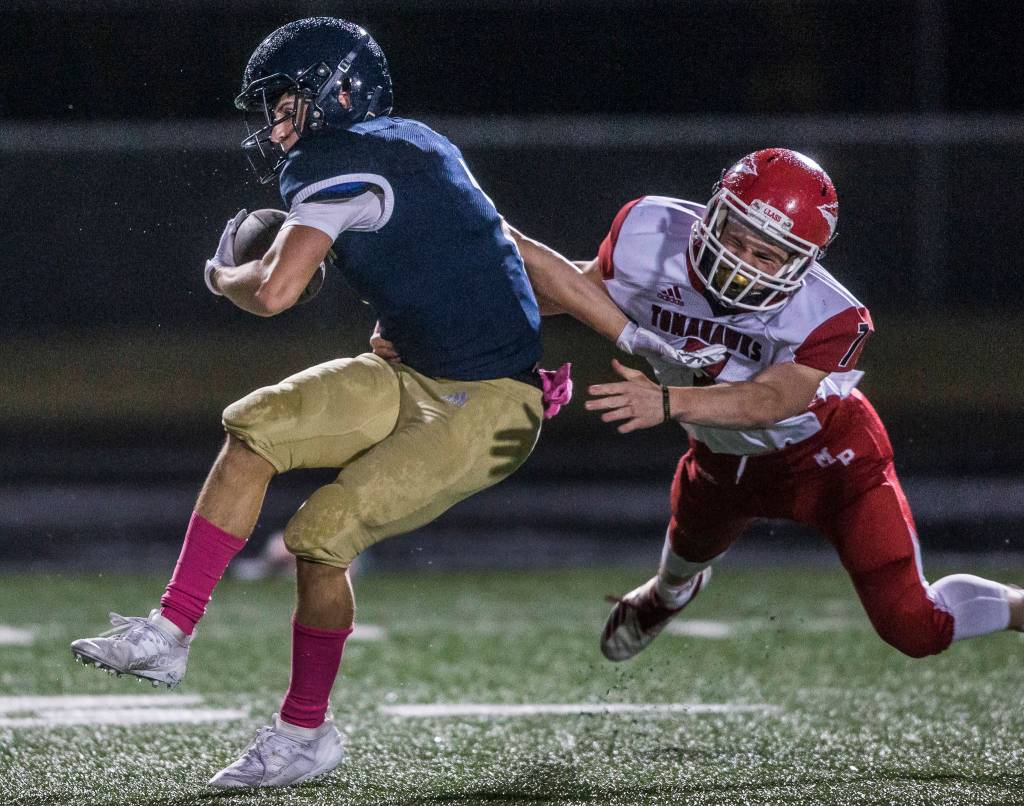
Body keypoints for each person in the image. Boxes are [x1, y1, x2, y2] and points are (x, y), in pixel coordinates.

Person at [68, 17, 705, 791]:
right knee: (256, 424)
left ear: (334, 95)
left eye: (285, 104)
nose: (274, 123)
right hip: (407, 371)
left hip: (492, 405)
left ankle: (304, 733)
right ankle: (171, 628)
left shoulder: (333, 172)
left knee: (320, 534)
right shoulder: (422, 146)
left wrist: (220, 274)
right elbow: (520, 253)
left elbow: (272, 291)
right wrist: (633, 334)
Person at [377, 148, 1024, 664]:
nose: (741, 264)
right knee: (682, 566)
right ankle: (664, 597)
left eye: (764, 254)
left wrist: (669, 400)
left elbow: (773, 399)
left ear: (803, 264)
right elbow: (585, 290)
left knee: (914, 627)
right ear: (713, 210)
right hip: (719, 459)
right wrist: (446, 326)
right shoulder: (651, 231)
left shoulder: (832, 315)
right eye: (735, 237)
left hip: (830, 461)